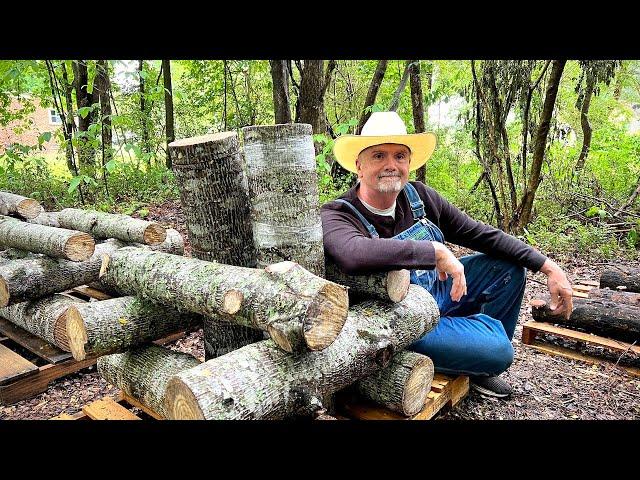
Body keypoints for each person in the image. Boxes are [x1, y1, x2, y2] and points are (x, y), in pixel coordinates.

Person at [320, 111, 573, 398]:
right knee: (501, 350)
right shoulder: (337, 213)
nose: (391, 165)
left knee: (508, 269)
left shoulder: (420, 197)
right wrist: (433, 251)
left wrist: (548, 266)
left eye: (400, 156)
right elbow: (353, 253)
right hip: (400, 322)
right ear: (359, 165)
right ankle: (478, 350)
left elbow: (481, 234)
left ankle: (475, 362)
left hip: (437, 295)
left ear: (409, 164)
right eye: (379, 155)